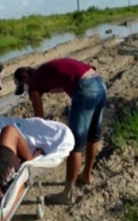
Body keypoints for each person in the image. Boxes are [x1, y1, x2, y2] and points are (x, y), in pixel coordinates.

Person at [13, 57, 107, 204]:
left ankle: (67, 195)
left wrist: (37, 143)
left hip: (85, 88)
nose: (25, 91)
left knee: (74, 144)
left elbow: (39, 119)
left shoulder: (34, 83)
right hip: (99, 83)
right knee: (92, 136)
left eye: (22, 86)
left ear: (25, 77)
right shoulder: (44, 72)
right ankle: (86, 175)